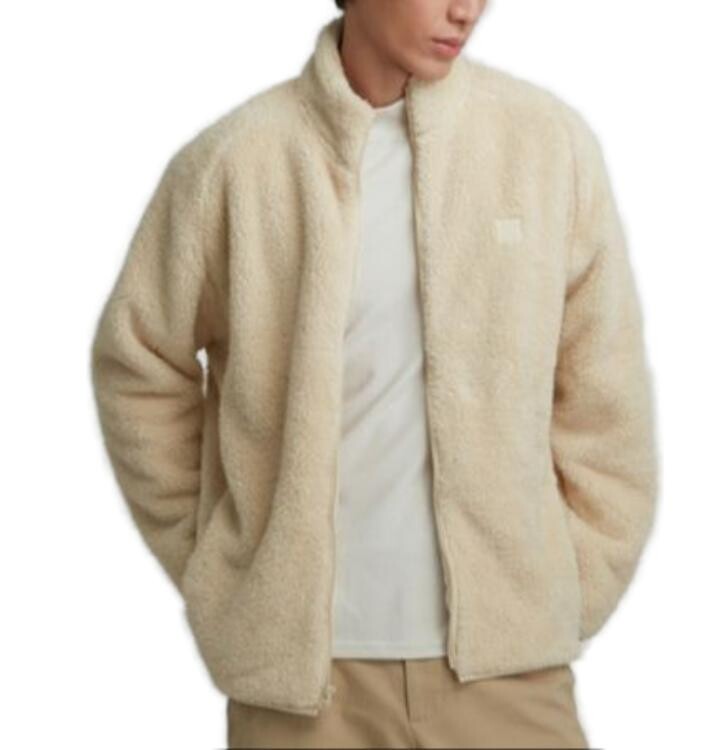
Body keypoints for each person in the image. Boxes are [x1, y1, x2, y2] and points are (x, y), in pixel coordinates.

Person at [90, 1, 659, 747]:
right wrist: (222, 561)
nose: (466, 9)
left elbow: (604, 394)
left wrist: (568, 585)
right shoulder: (237, 162)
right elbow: (137, 361)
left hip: (510, 677)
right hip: (302, 693)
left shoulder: (546, 147)